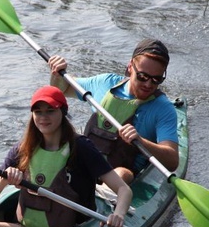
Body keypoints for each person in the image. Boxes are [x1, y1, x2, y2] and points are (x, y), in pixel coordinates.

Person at [0, 85, 132, 227]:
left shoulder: (81, 147)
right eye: (38, 112)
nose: (43, 117)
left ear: (63, 112)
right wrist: (4, 178)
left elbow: (123, 189)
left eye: (50, 111)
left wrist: (118, 214)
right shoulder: (23, 148)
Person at [48, 38, 179, 184]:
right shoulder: (105, 83)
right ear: (130, 66)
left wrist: (141, 141)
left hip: (123, 178)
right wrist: (56, 74)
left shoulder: (163, 109)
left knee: (121, 174)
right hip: (86, 164)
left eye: (156, 80)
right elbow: (62, 89)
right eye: (142, 77)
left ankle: (105, 201)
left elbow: (172, 161)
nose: (148, 84)